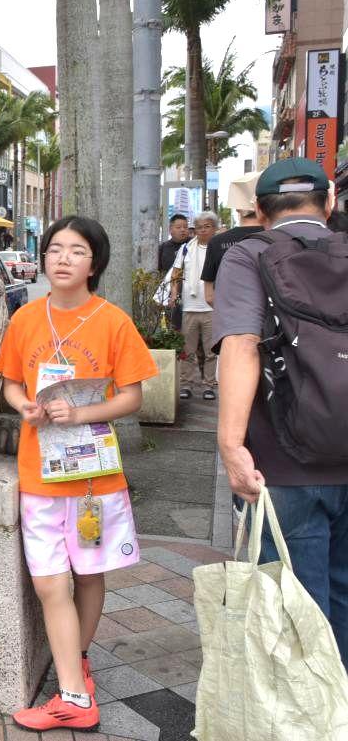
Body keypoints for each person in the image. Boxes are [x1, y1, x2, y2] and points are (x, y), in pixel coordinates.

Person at [0, 216, 157, 732]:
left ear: (95, 263)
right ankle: (74, 689)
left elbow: (133, 396)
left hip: (92, 478)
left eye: (77, 251)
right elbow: (10, 384)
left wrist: (80, 414)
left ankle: (75, 670)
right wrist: (25, 405)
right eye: (55, 249)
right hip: (39, 476)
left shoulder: (113, 321)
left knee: (89, 575)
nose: (63, 259)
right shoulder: (24, 318)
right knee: (50, 585)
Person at [214, 157, 348, 668]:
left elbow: (242, 346)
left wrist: (231, 445)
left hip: (283, 462)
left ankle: (308, 716)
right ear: (329, 202)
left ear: (261, 212)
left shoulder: (249, 255)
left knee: (296, 602)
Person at [170, 211, 218, 401]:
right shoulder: (186, 249)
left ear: (214, 228)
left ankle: (209, 385)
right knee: (187, 351)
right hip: (189, 307)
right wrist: (174, 293)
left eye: (207, 226)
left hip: (212, 308)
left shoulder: (219, 249)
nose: (202, 230)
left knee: (211, 351)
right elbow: (176, 273)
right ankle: (187, 384)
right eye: (198, 227)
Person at [202, 172, 263, 307]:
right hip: (271, 322)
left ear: (237, 209)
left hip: (230, 320)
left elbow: (209, 296)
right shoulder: (277, 237)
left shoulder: (217, 242)